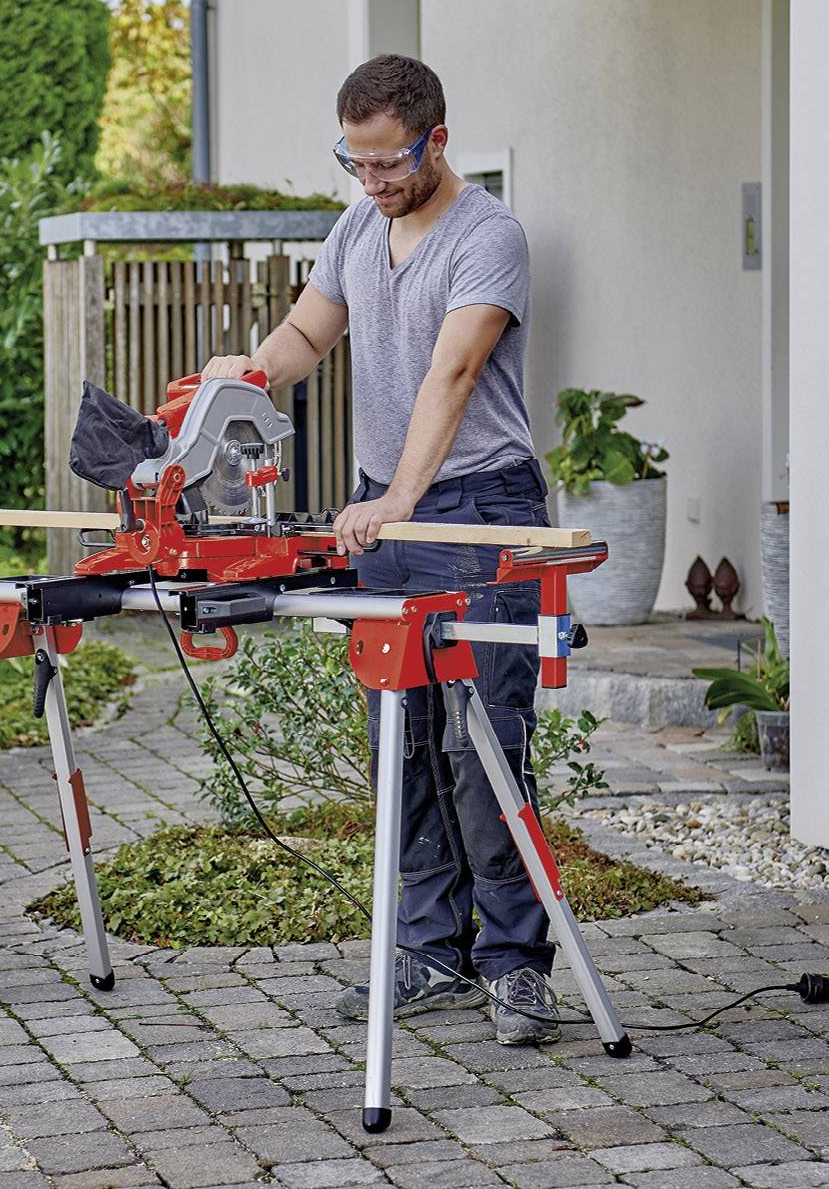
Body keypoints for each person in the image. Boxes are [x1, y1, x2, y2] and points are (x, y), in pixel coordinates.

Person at [199, 54, 557, 1046]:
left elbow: (453, 371)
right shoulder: (358, 226)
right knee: (398, 741)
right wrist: (250, 370)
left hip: (477, 508)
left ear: (436, 140)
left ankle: (517, 965)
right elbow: (305, 334)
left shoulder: (490, 238)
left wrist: (395, 501)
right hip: (385, 511)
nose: (370, 184)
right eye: (352, 164)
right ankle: (427, 950)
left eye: (387, 164)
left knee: (481, 741)